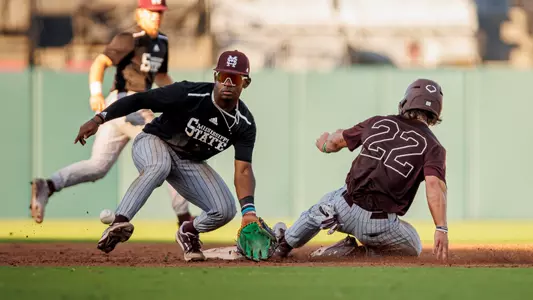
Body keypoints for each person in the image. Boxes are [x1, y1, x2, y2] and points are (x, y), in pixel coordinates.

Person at [73, 50, 265, 262]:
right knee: (159, 166)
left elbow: (243, 169)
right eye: (222, 76)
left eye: (235, 78)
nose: (227, 83)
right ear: (215, 77)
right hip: (154, 141)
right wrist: (99, 118)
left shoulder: (244, 124)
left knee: (225, 210)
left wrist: (248, 211)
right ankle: (120, 221)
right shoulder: (189, 93)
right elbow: (140, 99)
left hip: (189, 162)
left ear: (245, 83)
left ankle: (188, 231)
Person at [29, 0, 194, 227]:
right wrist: (95, 92)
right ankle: (184, 219)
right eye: (151, 12)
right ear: (139, 13)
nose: (156, 17)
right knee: (170, 151)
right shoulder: (130, 38)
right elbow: (100, 62)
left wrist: (178, 97)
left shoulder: (162, 42)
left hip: (129, 107)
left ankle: (48, 185)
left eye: (159, 13)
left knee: (97, 166)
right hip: (125, 102)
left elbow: (161, 77)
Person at [274, 79, 449, 260]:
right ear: (436, 113)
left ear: (406, 102)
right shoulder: (434, 147)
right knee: (413, 245)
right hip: (379, 226)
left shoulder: (377, 122)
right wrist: (441, 227)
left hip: (344, 209)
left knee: (326, 204)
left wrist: (325, 145)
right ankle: (362, 253)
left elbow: (335, 142)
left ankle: (283, 245)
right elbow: (434, 185)